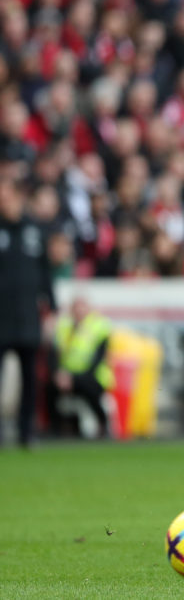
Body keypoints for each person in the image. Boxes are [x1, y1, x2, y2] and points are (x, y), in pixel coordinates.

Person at [0, 176, 56, 447]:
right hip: (2, 318)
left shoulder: (34, 230)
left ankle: (26, 432)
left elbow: (45, 274)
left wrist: (53, 309)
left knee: (30, 379)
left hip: (27, 317)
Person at [46, 295, 115, 438]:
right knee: (49, 388)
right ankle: (58, 428)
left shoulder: (99, 327)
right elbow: (54, 355)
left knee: (88, 387)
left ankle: (103, 424)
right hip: (66, 377)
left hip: (93, 377)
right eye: (76, 307)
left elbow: (97, 360)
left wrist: (73, 378)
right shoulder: (64, 328)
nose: (79, 311)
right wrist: (58, 374)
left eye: (82, 307)